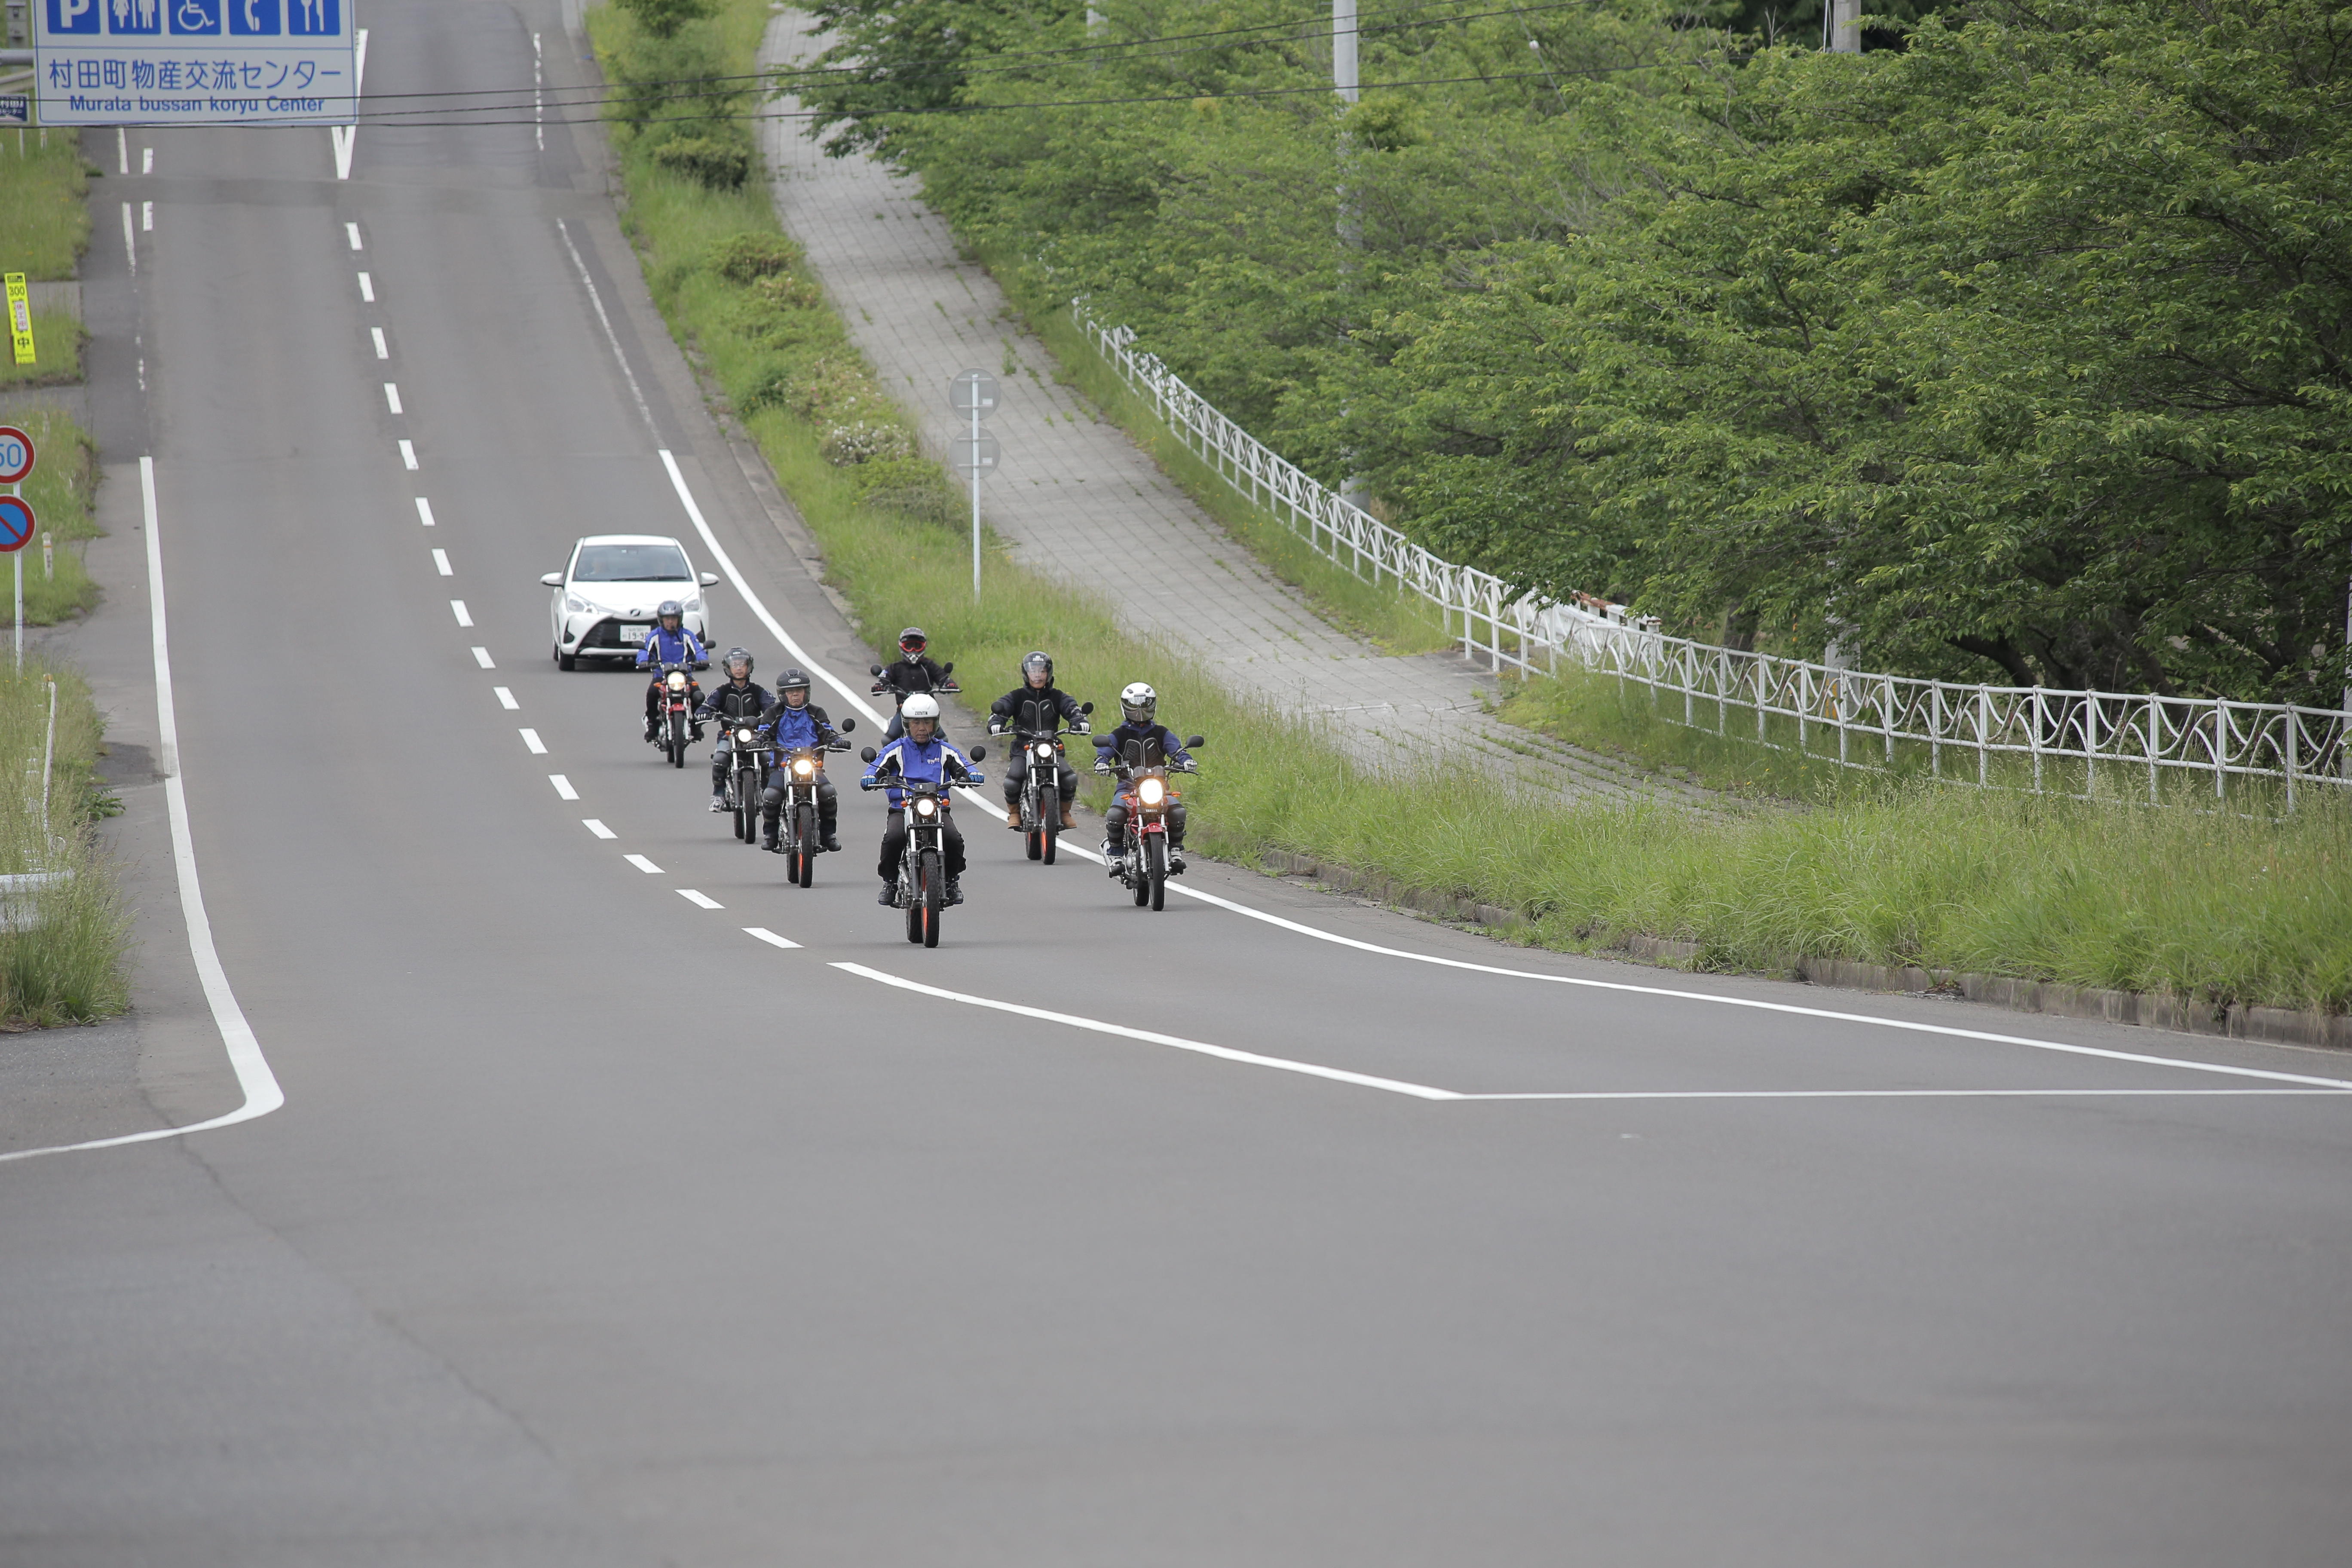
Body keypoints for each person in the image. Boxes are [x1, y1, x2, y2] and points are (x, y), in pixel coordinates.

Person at [862, 693, 981, 906]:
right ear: (907, 725)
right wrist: (870, 777)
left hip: (937, 808)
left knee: (953, 839)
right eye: (916, 722)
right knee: (893, 838)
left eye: (927, 722)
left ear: (936, 724)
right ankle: (889, 882)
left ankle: (952, 881)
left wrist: (971, 775)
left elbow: (963, 766)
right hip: (903, 807)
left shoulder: (945, 750)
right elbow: (877, 767)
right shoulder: (896, 749)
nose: (921, 728)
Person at [1093, 681, 1194, 874]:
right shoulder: (1119, 734)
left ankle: (1175, 850)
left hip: (1159, 786)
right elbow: (1106, 748)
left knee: (1177, 811)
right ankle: (1115, 854)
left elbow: (1175, 748)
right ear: (1125, 706)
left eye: (1144, 704)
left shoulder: (1161, 732)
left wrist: (1186, 759)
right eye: (1135, 705)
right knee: (1115, 815)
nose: (1140, 710)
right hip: (1128, 787)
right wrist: (1102, 762)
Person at [987, 650, 1087, 830]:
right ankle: (1015, 813)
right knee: (1013, 780)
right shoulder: (1017, 696)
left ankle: (1065, 813)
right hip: (1023, 748)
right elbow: (1002, 708)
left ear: (1049, 673)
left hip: (1052, 747)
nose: (1038, 675)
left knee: (1070, 778)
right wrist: (996, 722)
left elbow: (1072, 708)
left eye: (1042, 671)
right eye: (1033, 671)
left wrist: (1079, 721)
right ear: (1026, 674)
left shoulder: (1057, 696)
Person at [757, 667, 845, 853]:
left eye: (799, 691)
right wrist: (758, 740)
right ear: (783, 694)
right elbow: (764, 730)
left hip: (812, 766)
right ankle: (771, 835)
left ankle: (829, 835)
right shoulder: (774, 712)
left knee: (829, 793)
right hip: (782, 767)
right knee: (771, 796)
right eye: (790, 692)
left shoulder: (816, 712)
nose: (795, 695)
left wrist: (838, 741)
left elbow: (828, 731)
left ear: (807, 692)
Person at [697, 648, 771, 812]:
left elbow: (772, 707)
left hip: (755, 736)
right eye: (735, 665)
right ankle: (719, 795)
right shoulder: (721, 691)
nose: (739, 668)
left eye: (742, 664)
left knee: (767, 759)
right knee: (720, 759)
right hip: (728, 735)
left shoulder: (758, 691)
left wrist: (772, 715)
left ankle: (768, 793)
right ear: (728, 668)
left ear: (749, 667)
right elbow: (705, 707)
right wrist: (704, 714)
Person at [636, 600, 708, 743]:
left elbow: (698, 649)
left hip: (684, 675)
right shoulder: (655, 635)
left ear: (679, 619)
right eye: (667, 619)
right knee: (651, 694)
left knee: (698, 695)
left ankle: (696, 725)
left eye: (673, 618)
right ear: (661, 620)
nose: (670, 622)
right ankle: (653, 724)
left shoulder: (687, 635)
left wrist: (702, 659)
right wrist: (643, 660)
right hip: (661, 676)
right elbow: (644, 650)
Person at [873, 626, 957, 742]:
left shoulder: (929, 665)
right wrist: (879, 686)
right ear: (902, 647)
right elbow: (884, 679)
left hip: (929, 713)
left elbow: (942, 676)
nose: (913, 650)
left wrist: (949, 684)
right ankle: (889, 760)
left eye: (917, 646)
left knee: (943, 740)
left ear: (923, 647)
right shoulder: (895, 668)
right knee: (887, 740)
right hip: (904, 712)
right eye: (909, 646)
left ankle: (941, 760)